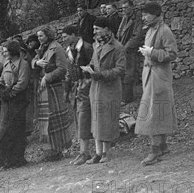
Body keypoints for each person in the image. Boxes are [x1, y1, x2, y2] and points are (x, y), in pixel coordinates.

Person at [135, 2, 178, 166]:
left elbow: (172, 54)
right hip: (150, 74)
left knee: (154, 112)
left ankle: (154, 150)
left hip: (159, 75)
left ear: (155, 14)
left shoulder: (165, 30)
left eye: (146, 14)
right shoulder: (151, 29)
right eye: (143, 14)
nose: (143, 17)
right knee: (157, 110)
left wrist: (151, 52)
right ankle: (162, 146)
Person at [84, 17, 125, 164]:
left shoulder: (118, 47)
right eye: (94, 29)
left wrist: (101, 74)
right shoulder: (97, 45)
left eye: (97, 29)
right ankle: (98, 153)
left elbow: (120, 69)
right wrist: (89, 70)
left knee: (106, 120)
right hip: (96, 87)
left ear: (106, 29)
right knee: (96, 119)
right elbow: (94, 62)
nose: (94, 31)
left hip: (109, 88)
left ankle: (106, 152)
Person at [0, 40, 30, 169]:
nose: (3, 53)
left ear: (12, 51)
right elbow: (1, 79)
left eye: (5, 51)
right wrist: (0, 90)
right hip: (7, 100)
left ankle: (18, 159)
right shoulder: (6, 63)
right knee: (7, 130)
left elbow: (22, 83)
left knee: (17, 130)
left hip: (19, 100)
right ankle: (8, 159)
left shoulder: (23, 64)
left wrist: (10, 93)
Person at [32, 25, 71, 161]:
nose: (39, 38)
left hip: (54, 88)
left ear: (48, 35)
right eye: (38, 36)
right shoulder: (42, 48)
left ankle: (58, 149)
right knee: (45, 120)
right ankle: (49, 151)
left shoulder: (57, 48)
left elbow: (62, 69)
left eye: (41, 36)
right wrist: (36, 62)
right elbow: (32, 61)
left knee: (55, 119)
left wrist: (47, 77)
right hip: (44, 90)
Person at [61, 25, 94, 165]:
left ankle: (85, 152)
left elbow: (93, 67)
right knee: (78, 118)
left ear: (74, 35)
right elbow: (69, 72)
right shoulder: (68, 50)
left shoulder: (86, 48)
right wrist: (66, 90)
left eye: (65, 36)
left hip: (86, 87)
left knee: (84, 118)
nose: (64, 39)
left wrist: (87, 83)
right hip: (75, 88)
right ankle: (83, 151)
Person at [117, 0, 146, 103]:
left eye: (126, 8)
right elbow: (120, 32)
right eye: (123, 8)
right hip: (123, 47)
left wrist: (126, 47)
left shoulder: (137, 17)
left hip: (131, 49)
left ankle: (127, 98)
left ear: (132, 7)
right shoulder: (125, 18)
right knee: (122, 72)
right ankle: (124, 96)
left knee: (129, 72)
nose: (124, 10)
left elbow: (137, 35)